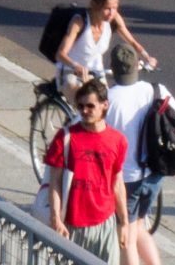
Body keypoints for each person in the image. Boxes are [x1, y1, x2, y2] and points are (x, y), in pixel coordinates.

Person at [42, 78, 133, 264]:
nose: (84, 111)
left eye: (90, 106)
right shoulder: (65, 137)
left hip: (104, 225)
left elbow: (117, 183)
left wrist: (124, 222)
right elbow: (55, 183)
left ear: (104, 105)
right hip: (71, 225)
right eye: (80, 106)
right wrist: (55, 218)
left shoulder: (118, 141)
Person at [104, 44, 175, 265]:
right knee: (137, 225)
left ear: (112, 69)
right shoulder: (156, 90)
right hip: (154, 173)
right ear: (137, 66)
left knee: (126, 234)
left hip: (125, 179)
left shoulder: (107, 99)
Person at [53, 0, 157, 94]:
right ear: (96, 6)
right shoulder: (80, 22)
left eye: (115, 8)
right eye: (107, 8)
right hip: (70, 72)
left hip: (96, 70)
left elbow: (132, 42)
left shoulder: (114, 19)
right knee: (84, 105)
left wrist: (147, 57)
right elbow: (60, 54)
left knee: (106, 103)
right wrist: (76, 66)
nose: (112, 13)